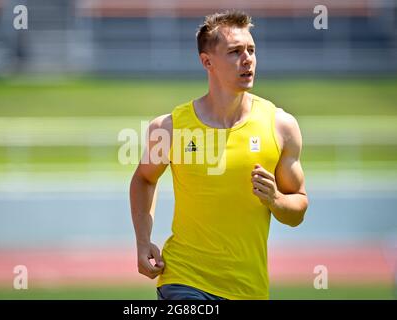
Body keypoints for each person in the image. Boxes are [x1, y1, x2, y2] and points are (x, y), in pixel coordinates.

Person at [129, 10, 308, 300]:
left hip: (249, 289)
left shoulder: (281, 126)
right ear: (207, 62)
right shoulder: (170, 127)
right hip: (184, 280)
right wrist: (142, 240)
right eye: (235, 52)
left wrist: (275, 199)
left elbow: (298, 209)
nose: (247, 59)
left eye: (251, 50)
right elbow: (144, 180)